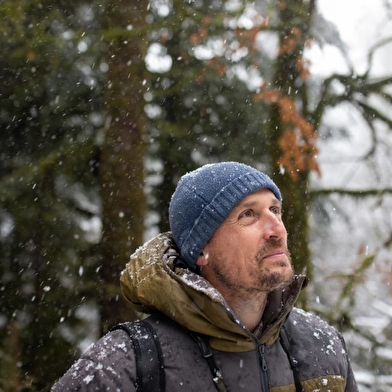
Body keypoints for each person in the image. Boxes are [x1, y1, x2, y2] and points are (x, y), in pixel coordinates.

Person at [52, 161, 358, 391]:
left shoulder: (322, 346)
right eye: (248, 214)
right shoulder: (127, 365)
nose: (277, 229)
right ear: (201, 250)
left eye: (275, 210)